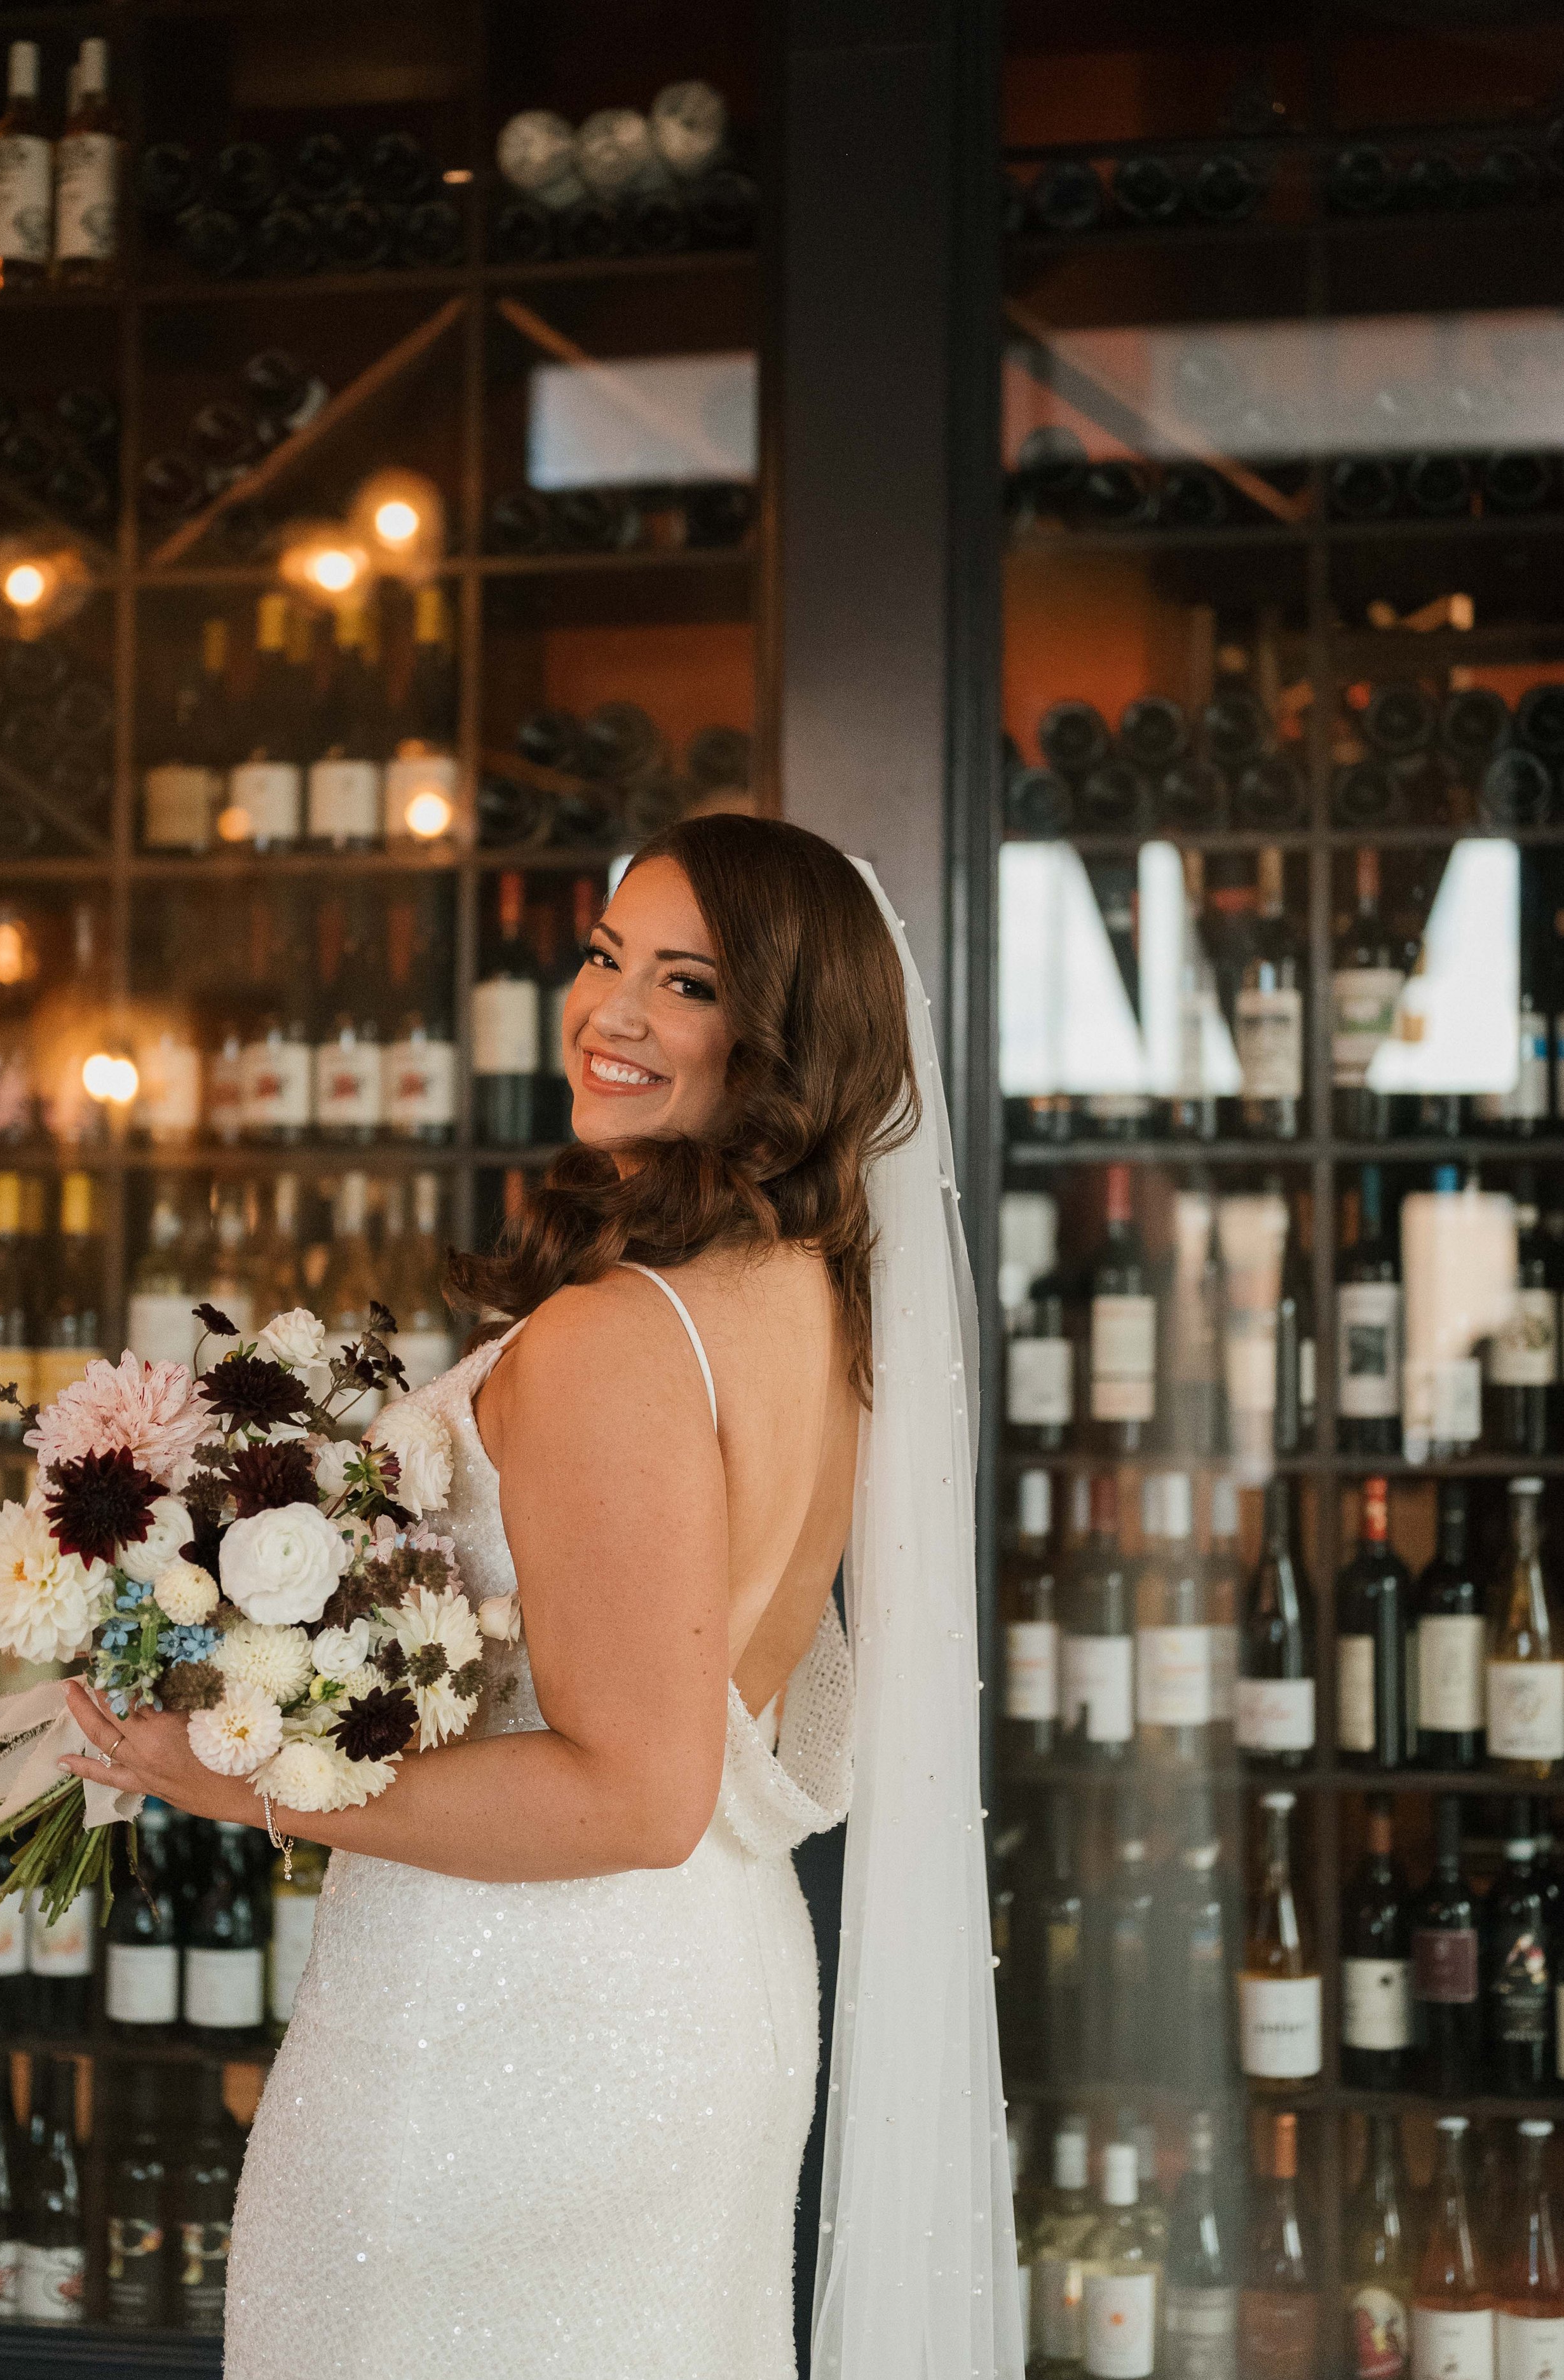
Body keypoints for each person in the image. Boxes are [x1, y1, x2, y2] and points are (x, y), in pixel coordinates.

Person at [62, 815, 1020, 2379]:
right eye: (601, 958)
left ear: (780, 1036)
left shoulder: (617, 1336)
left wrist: (235, 1778)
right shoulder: (813, 1302)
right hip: (706, 1989)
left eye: (685, 983)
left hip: (518, 2032)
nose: (611, 1014)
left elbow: (636, 1791)